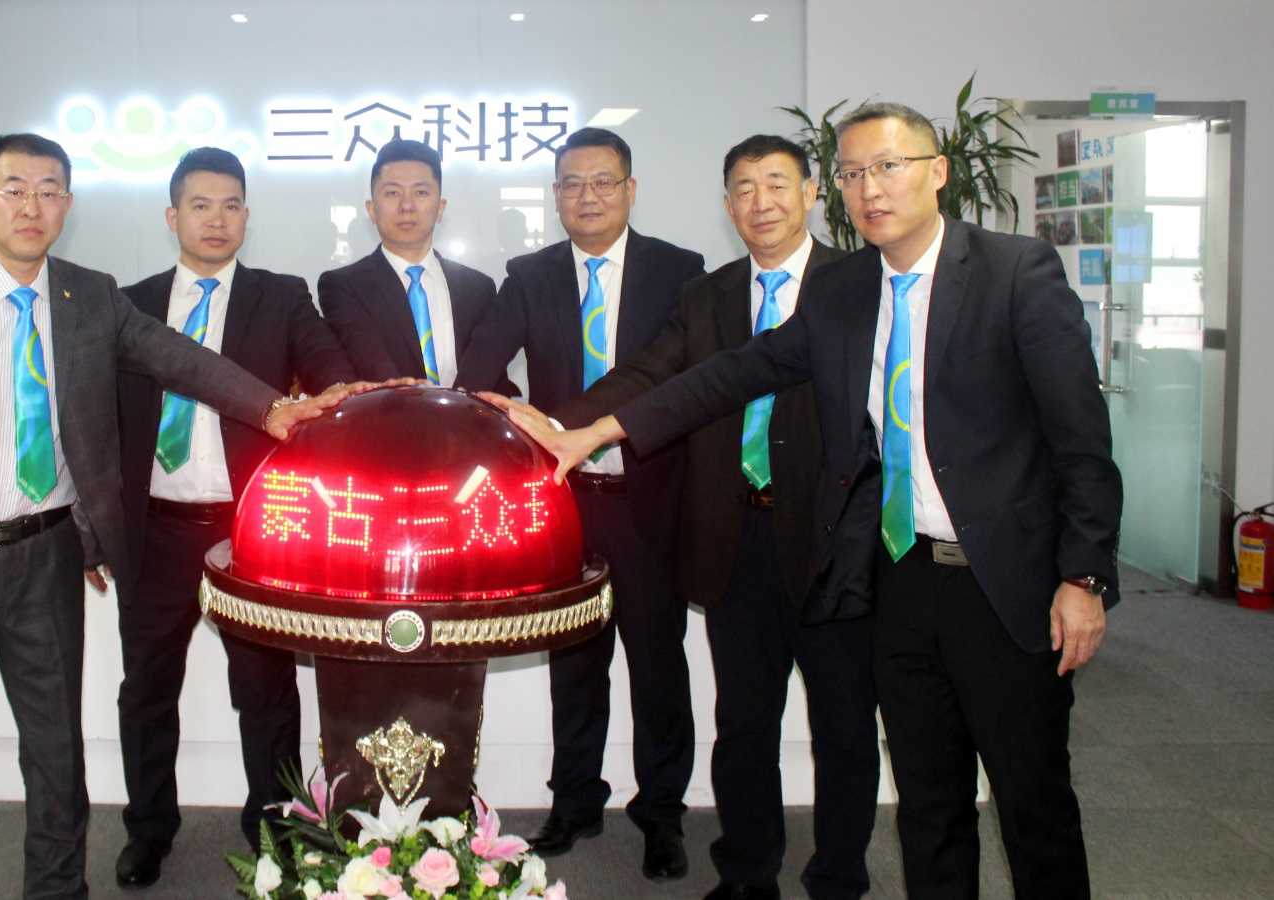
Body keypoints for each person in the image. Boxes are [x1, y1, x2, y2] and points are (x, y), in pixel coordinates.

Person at [492, 103, 1121, 900]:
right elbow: (730, 373)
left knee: (1030, 800)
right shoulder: (850, 290)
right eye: (855, 173)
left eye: (887, 167)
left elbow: (1080, 440)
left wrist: (1082, 575)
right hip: (897, 572)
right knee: (928, 799)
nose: (870, 189)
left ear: (936, 171)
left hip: (1001, 580)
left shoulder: (1013, 272)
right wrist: (590, 431)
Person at [0, 133, 355, 899]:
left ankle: (57, 888)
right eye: (14, 189)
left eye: (49, 190)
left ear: (68, 205)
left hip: (47, 553)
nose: (31, 205)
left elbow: (178, 357)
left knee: (55, 746)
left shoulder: (89, 296)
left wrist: (270, 409)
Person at [550, 134, 877, 900]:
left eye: (777, 184)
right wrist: (565, 427)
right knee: (744, 724)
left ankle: (838, 878)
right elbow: (650, 373)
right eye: (743, 189)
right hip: (736, 539)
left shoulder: (859, 282)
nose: (761, 203)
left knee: (842, 726)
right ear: (726, 204)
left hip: (832, 542)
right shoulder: (707, 295)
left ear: (810, 194)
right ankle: (746, 874)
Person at [454, 127, 704, 882]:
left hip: (650, 494)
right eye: (571, 183)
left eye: (602, 182)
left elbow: (679, 373)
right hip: (565, 501)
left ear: (631, 189)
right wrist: (534, 426)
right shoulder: (529, 275)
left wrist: (571, 424)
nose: (587, 196)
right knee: (574, 659)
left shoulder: (680, 271)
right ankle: (574, 801)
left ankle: (662, 812)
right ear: (555, 194)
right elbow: (479, 366)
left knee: (657, 663)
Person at [111, 148, 357, 888]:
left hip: (250, 531)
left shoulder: (280, 297)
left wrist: (348, 397)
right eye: (200, 205)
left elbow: (331, 376)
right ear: (172, 216)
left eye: (230, 206)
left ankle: (275, 829)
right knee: (147, 688)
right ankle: (148, 829)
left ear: (246, 215)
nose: (216, 220)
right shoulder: (129, 303)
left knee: (265, 691)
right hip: (154, 529)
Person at [318, 138, 511, 392]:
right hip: (384, 416)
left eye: (421, 193)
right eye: (392, 193)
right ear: (371, 210)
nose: (406, 206)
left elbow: (491, 377)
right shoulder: (343, 287)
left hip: (469, 417)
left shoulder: (478, 288)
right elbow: (372, 364)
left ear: (440, 208)